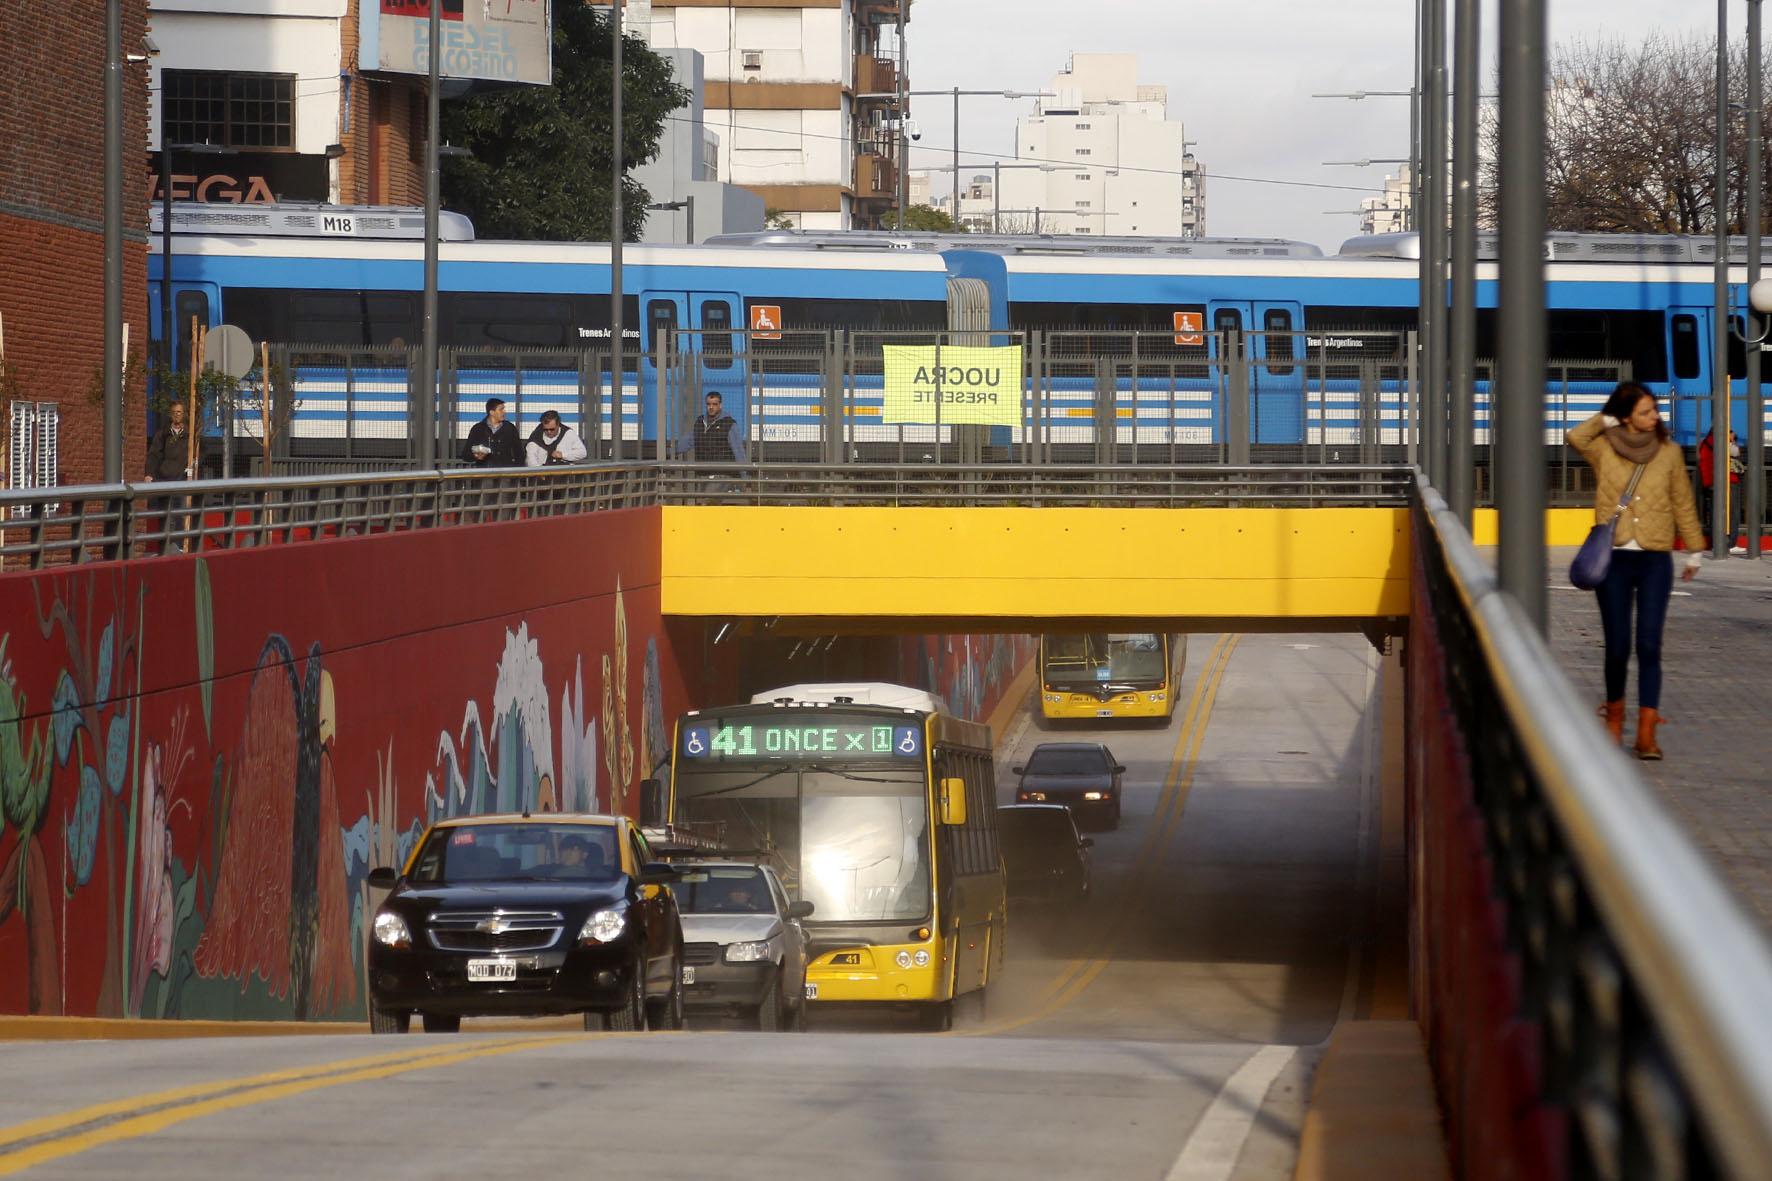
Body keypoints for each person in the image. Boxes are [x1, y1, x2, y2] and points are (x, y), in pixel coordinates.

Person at [1566, 381, 1706, 760]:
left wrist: (1694, 550)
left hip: (1654, 560)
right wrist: (1606, 417)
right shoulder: (1603, 448)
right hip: (1613, 560)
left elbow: (1682, 500)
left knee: (1648, 645)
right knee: (1617, 647)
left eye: (1655, 410)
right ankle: (1614, 719)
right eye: (1646, 411)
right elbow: (1575, 436)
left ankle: (1646, 733)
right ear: (1626, 415)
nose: (1655, 416)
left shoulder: (1670, 452)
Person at [142, 402, 194, 554]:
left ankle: (178, 547)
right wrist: (149, 474)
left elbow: (200, 450)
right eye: (174, 412)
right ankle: (166, 548)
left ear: (184, 414)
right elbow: (154, 454)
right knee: (166, 516)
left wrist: (191, 467)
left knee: (180, 515)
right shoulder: (164, 433)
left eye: (180, 412)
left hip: (182, 480)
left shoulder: (189, 435)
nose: (177, 415)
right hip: (165, 479)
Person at [1697, 427, 1747, 554]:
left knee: (1716, 512)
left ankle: (1716, 543)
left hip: (1711, 481)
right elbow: (1736, 452)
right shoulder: (1721, 442)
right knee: (1732, 512)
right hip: (1727, 481)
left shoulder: (1704, 443)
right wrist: (1732, 440)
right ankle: (1730, 543)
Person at [673, 391, 748, 465]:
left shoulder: (729, 424)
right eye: (708, 404)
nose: (711, 407)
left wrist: (744, 472)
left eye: (714, 404)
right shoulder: (700, 423)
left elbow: (738, 450)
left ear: (720, 405)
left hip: (723, 473)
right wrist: (672, 450)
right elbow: (689, 441)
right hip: (703, 472)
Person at [462, 397, 522, 467]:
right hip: (485, 474)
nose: (504, 411)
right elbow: (466, 454)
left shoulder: (510, 428)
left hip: (505, 474)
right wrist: (476, 456)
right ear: (492, 412)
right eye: (501, 409)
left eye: (504, 409)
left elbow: (519, 453)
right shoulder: (478, 429)